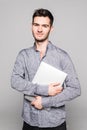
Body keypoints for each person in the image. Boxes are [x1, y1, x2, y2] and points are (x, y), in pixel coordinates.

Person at [11, 8, 81, 130]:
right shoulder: (23, 55)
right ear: (31, 26)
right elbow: (15, 81)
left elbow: (75, 89)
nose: (39, 29)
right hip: (30, 121)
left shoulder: (62, 56)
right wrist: (45, 90)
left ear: (51, 28)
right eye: (36, 24)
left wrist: (45, 102)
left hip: (55, 123)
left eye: (45, 26)